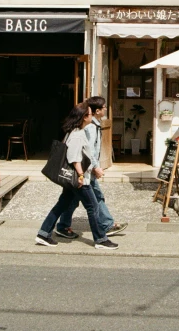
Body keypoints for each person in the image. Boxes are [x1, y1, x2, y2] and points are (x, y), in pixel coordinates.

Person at [35, 102, 119, 250]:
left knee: (62, 205)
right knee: (93, 207)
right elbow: (74, 157)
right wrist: (81, 175)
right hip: (79, 179)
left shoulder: (76, 132)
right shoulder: (78, 135)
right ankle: (100, 239)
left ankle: (43, 234)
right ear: (84, 117)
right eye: (90, 114)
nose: (92, 115)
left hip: (75, 178)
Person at [55, 96, 128, 240]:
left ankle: (62, 225)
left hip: (85, 170)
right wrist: (95, 167)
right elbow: (89, 151)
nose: (106, 109)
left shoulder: (94, 125)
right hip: (84, 170)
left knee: (71, 199)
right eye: (104, 107)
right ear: (97, 111)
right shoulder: (90, 127)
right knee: (96, 198)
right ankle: (106, 226)